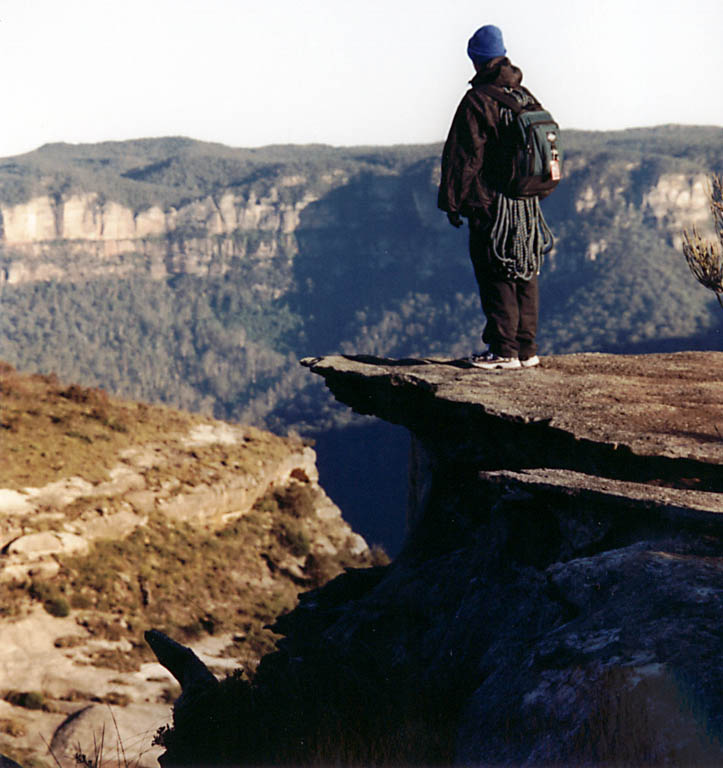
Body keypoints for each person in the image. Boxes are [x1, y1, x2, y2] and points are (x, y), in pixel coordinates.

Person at [438, 24, 554, 370]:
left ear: (476, 60)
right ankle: (526, 348)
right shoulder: (524, 95)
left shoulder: (478, 100)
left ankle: (503, 350)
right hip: (525, 203)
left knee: (496, 269)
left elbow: (463, 157)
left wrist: (453, 203)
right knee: (524, 267)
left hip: (492, 203)